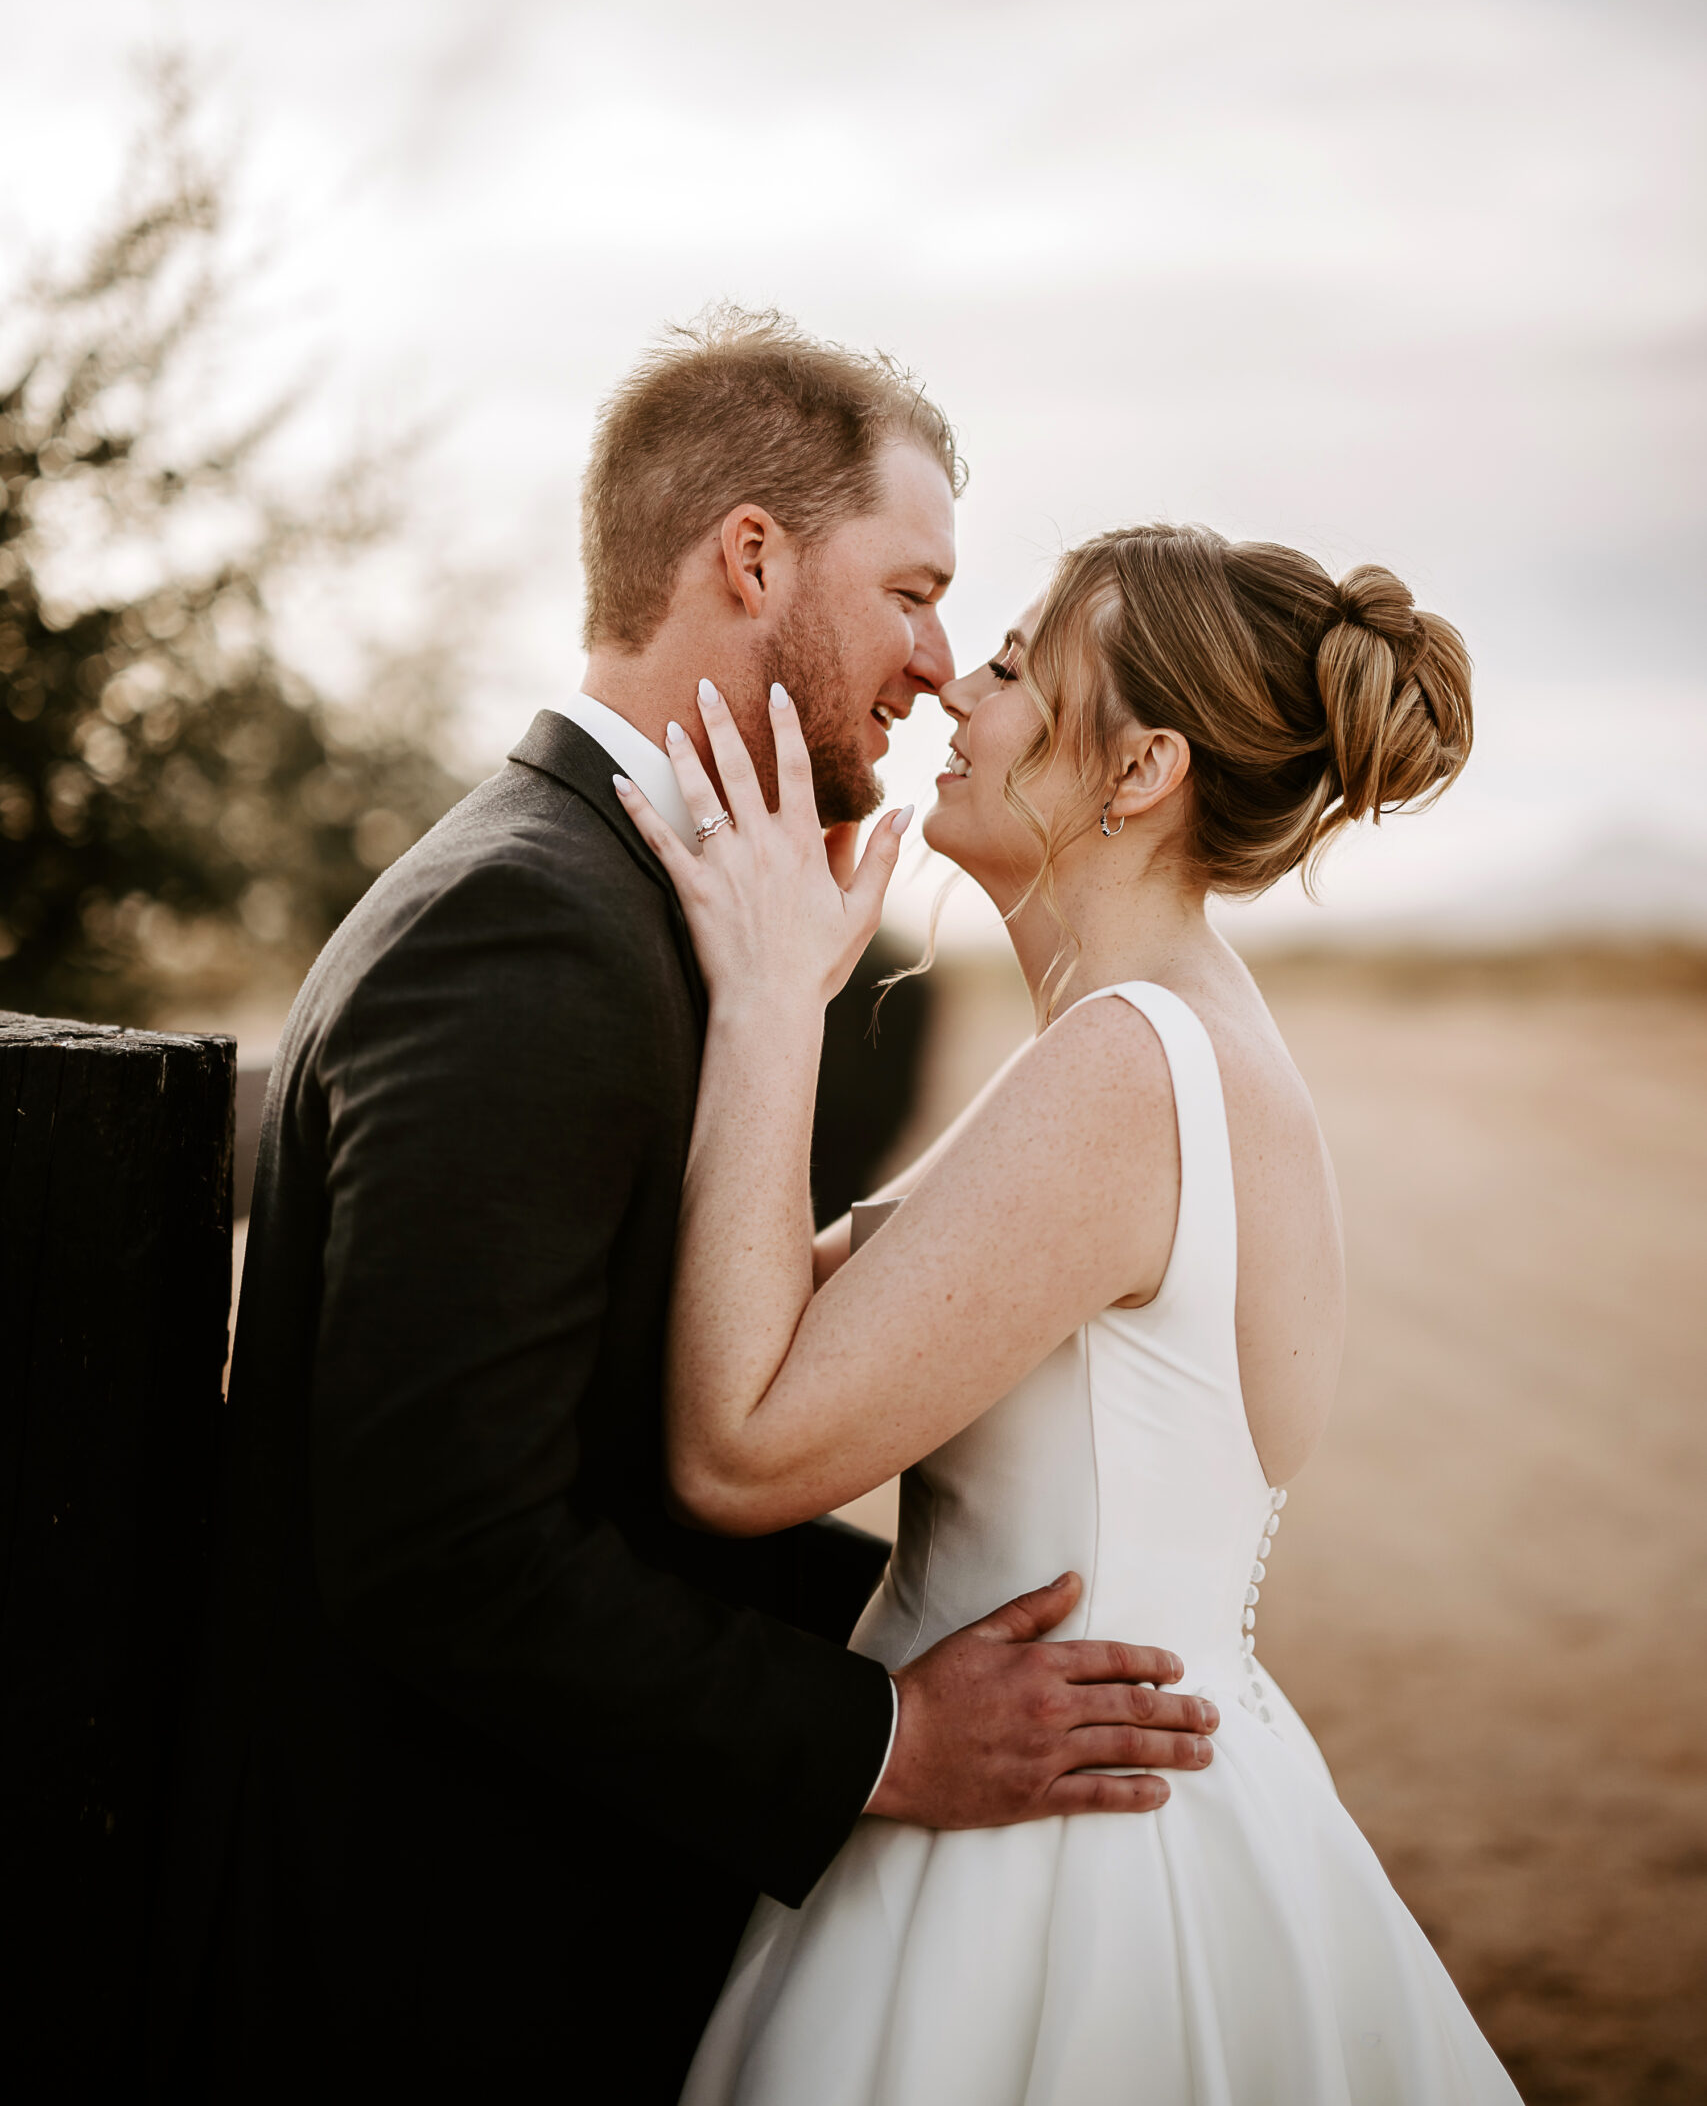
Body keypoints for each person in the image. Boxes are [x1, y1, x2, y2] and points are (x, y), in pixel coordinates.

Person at [147, 318, 1216, 2104]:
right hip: (427, 1978)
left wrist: (918, 1621)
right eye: (918, 590)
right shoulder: (532, 929)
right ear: (750, 556)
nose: (942, 666)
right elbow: (446, 1547)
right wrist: (881, 1733)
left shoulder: (617, 899)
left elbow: (590, 1466)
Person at [615, 521, 1523, 2104]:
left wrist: (773, 1005)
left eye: (1023, 667)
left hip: (1062, 1868)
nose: (959, 690)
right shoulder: (1144, 1041)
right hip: (1104, 1790)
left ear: (1143, 766)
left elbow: (743, 1447)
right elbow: (784, 1314)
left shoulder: (1127, 1068)